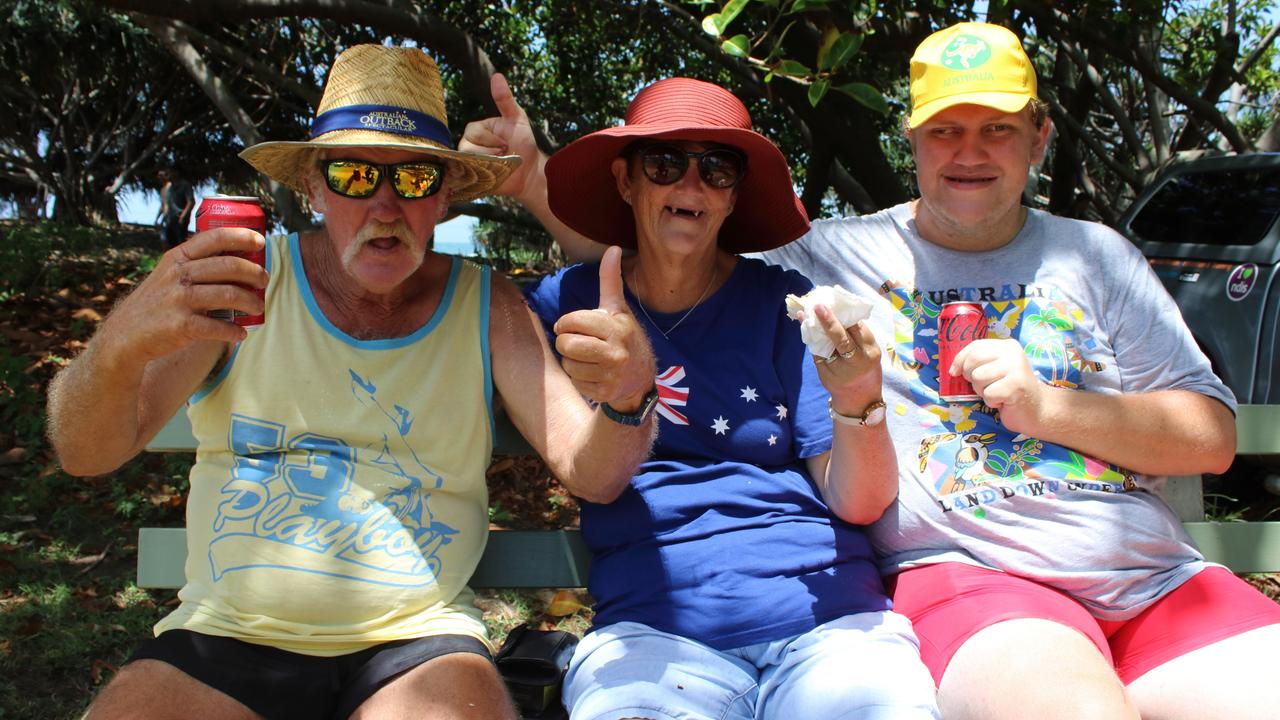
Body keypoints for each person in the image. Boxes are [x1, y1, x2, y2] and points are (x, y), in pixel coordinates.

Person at [464, 23, 1280, 720]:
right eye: (946, 130)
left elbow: (1210, 439)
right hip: (979, 586)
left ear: (1039, 138)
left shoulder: (1097, 256)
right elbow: (672, 247)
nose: (970, 152)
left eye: (996, 128)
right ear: (912, 139)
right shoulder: (830, 257)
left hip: (1155, 582)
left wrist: (1049, 408)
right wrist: (535, 183)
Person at [47, 44, 657, 720]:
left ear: (446, 195)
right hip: (225, 639)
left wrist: (629, 399)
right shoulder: (244, 285)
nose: (386, 206)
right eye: (352, 174)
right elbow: (84, 452)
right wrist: (117, 346)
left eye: (416, 180)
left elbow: (591, 471)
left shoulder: (488, 306)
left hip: (417, 644)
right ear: (312, 186)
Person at [482, 77, 939, 719]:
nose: (690, 187)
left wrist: (860, 398)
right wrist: (485, 182)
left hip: (829, 626)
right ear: (626, 181)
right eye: (665, 164)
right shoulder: (568, 304)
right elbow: (597, 478)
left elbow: (858, 500)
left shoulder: (784, 301)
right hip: (654, 638)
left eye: (717, 169)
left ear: (733, 198)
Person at [157, 166, 194, 251]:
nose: (167, 175)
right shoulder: (170, 187)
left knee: (180, 244)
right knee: (170, 244)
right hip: (170, 219)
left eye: (169, 172)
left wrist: (183, 216)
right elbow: (165, 205)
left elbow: (191, 202)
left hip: (179, 218)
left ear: (176, 173)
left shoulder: (185, 185)